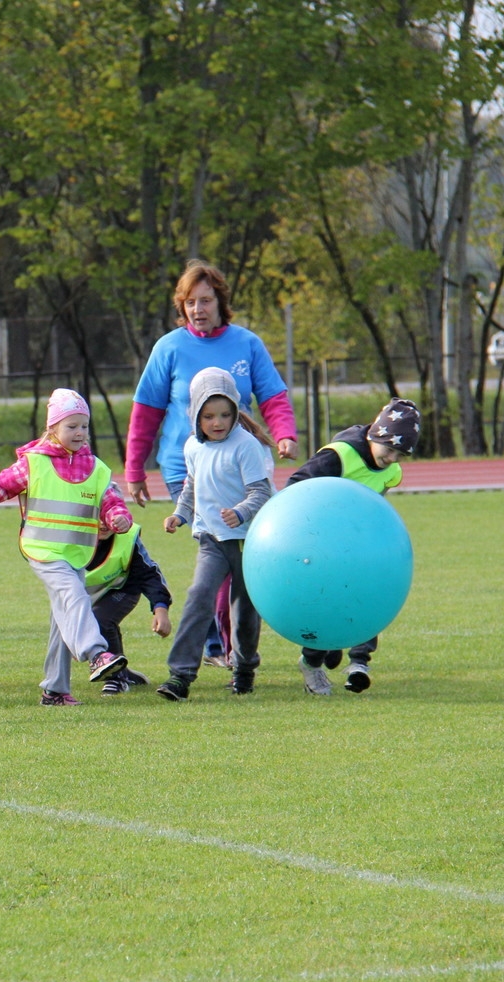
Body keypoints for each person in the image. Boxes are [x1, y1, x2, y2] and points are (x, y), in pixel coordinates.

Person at [125, 260, 298, 666]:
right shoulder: (168, 348)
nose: (198, 309)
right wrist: (134, 470)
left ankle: (222, 643)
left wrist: (285, 433)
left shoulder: (247, 344)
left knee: (229, 554)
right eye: (190, 302)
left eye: (205, 300)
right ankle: (220, 646)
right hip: (184, 468)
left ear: (221, 301)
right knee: (215, 547)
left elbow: (273, 396)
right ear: (182, 308)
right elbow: (145, 411)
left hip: (241, 467)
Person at [0, 389, 132, 705]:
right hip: (44, 551)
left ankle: (55, 690)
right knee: (74, 598)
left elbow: (111, 499)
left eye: (84, 426)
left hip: (75, 554)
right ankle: (97, 653)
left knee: (64, 616)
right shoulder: (33, 463)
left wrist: (119, 517)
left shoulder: (97, 468)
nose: (79, 433)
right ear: (53, 428)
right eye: (71, 426)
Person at [285, 397, 420, 695]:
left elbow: (376, 508)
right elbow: (295, 487)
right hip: (322, 548)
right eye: (389, 449)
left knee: (370, 597)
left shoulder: (391, 472)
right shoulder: (339, 456)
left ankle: (359, 661)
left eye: (400, 455)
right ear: (375, 435)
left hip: (358, 550)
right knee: (327, 605)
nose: (392, 460)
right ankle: (312, 662)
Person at [155, 368, 276, 701]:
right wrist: (180, 515)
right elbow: (192, 486)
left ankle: (244, 668)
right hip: (212, 540)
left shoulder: (246, 446)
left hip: (249, 542)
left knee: (244, 610)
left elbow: (261, 492)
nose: (218, 422)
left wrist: (240, 512)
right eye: (208, 416)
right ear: (195, 414)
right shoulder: (192, 445)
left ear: (236, 412)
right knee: (198, 596)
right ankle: (180, 676)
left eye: (225, 414)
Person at [86, 519, 173, 696]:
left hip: (124, 589)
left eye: (108, 517)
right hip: (86, 594)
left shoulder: (127, 537)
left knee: (102, 620)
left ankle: (117, 678)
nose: (103, 524)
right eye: (98, 516)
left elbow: (149, 574)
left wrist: (160, 608)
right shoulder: (70, 534)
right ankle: (124, 672)